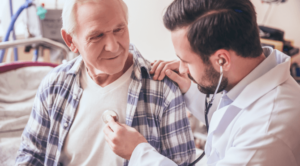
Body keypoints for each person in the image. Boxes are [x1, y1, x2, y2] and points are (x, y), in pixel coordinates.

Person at [103, 0, 300, 165]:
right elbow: (233, 116)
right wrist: (189, 88)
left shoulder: (267, 132)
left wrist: (138, 152)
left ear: (222, 60)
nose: (181, 69)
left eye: (186, 61)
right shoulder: (249, 77)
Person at [15, 0, 196, 165]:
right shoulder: (54, 85)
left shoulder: (162, 89)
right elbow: (32, 154)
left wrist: (138, 152)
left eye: (119, 30)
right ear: (71, 40)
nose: (113, 46)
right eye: (97, 36)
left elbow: (183, 163)